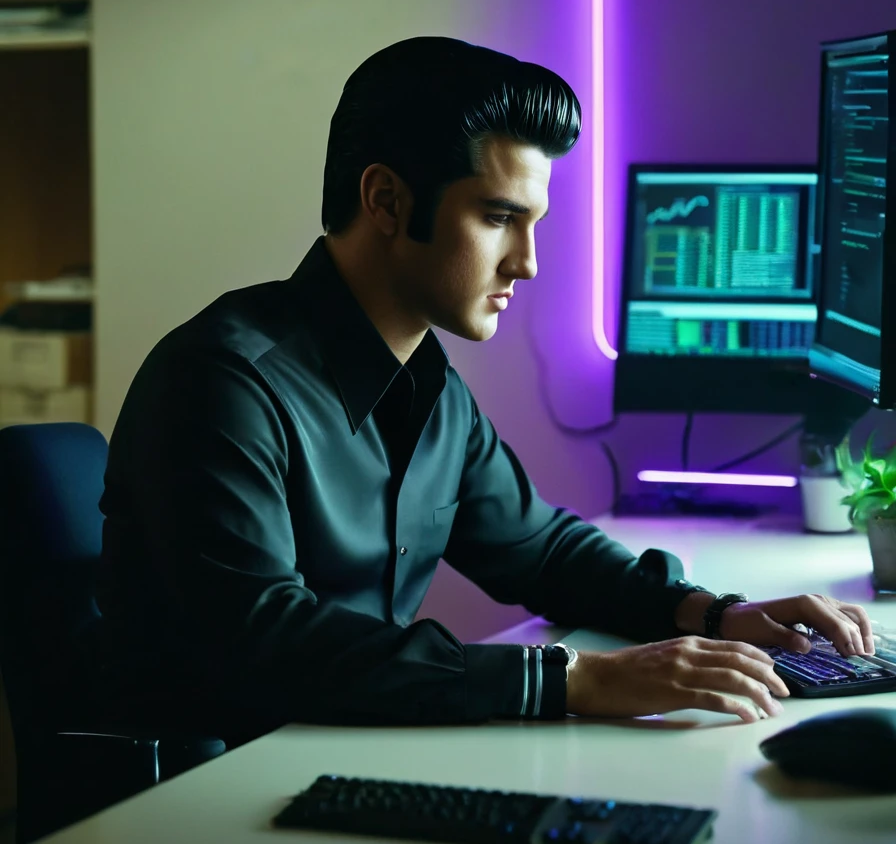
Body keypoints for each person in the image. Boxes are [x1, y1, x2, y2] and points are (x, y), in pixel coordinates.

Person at [94, 36, 874, 744]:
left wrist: (715, 613)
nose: (527, 263)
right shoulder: (221, 384)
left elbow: (541, 550)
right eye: (499, 217)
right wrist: (574, 678)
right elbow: (266, 644)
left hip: (335, 754)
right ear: (388, 201)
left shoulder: (431, 389)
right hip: (207, 801)